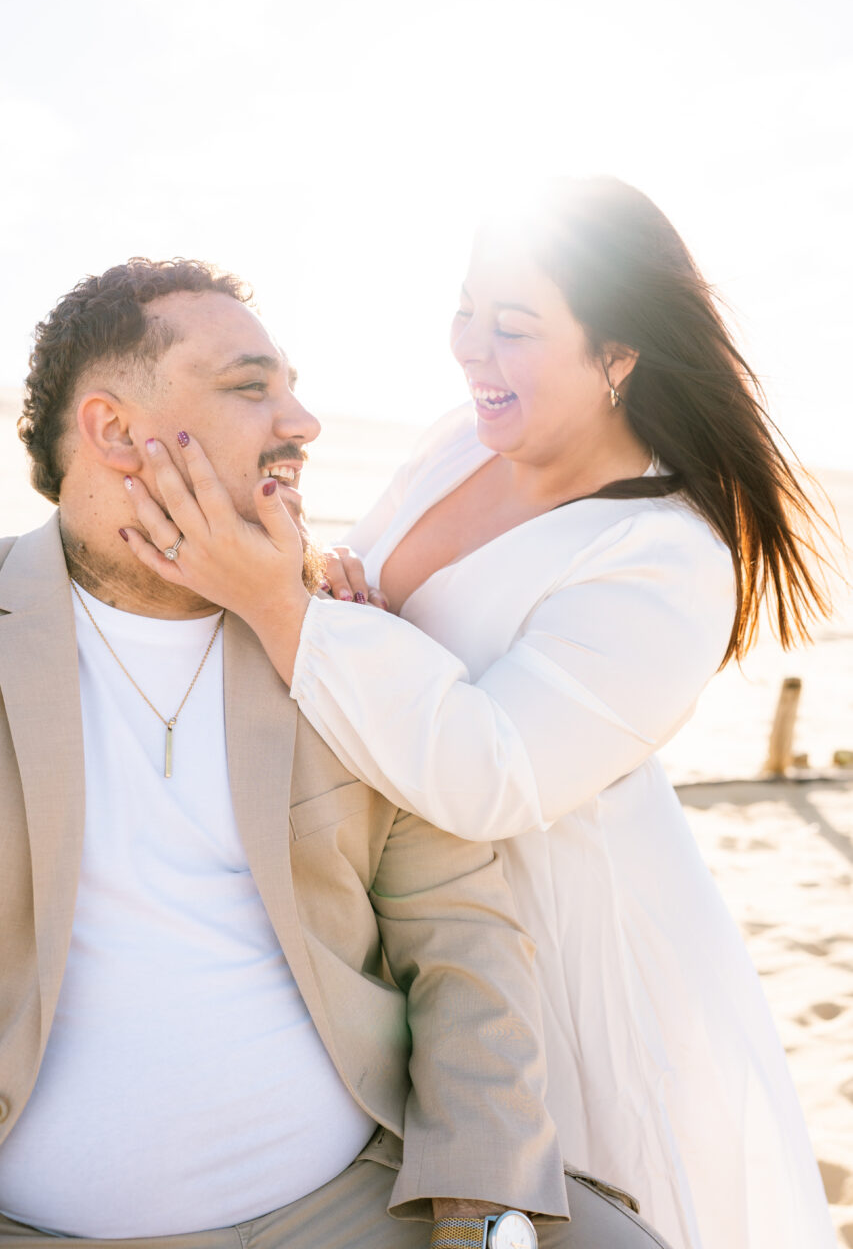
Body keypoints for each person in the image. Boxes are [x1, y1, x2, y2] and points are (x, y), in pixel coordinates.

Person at [123, 181, 837, 1249]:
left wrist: (280, 605)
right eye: (466, 311)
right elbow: (380, 632)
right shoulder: (461, 436)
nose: (470, 349)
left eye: (513, 328)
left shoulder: (667, 557)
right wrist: (333, 598)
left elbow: (495, 772)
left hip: (568, 940)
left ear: (619, 354)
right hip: (419, 908)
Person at [0, 257, 674, 1249]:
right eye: (250, 386)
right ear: (110, 429)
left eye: (293, 386)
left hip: (350, 1203)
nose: (304, 421)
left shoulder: (339, 648)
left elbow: (462, 943)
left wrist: (485, 1205)